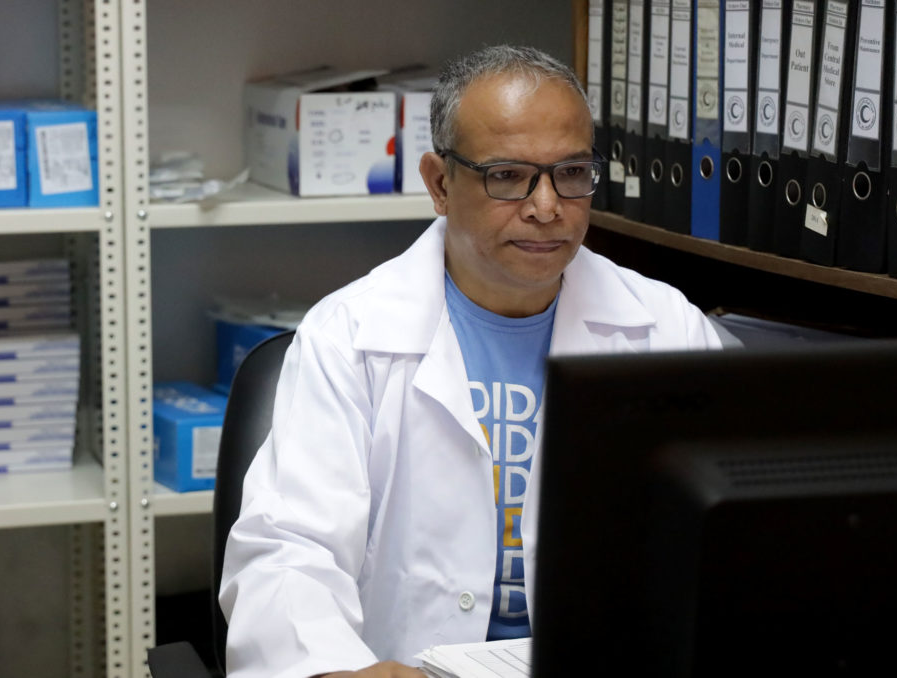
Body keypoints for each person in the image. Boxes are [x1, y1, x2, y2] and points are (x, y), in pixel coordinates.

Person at [220, 45, 722, 678]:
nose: (547, 206)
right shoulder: (349, 335)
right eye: (508, 176)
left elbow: (728, 545)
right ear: (439, 183)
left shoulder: (664, 328)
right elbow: (288, 549)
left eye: (571, 173)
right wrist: (340, 671)